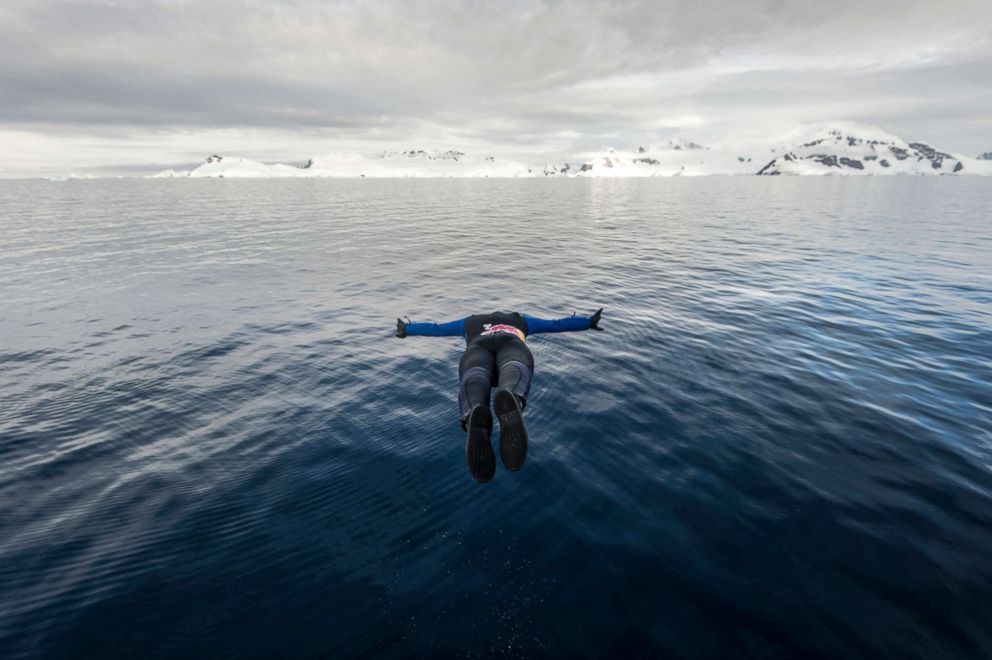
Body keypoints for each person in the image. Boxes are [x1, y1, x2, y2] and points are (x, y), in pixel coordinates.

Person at [395, 309, 604, 483]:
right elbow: (556, 324)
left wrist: (407, 329)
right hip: (512, 346)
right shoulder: (520, 320)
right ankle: (514, 396)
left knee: (474, 378)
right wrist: (588, 322)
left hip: (477, 349)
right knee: (514, 368)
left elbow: (436, 329)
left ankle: (472, 412)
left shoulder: (469, 322)